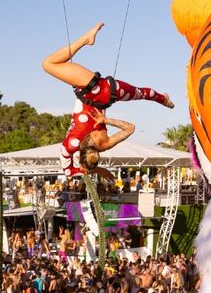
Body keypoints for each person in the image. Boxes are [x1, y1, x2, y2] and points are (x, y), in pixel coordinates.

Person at [42, 23, 173, 177]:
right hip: (90, 88)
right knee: (48, 64)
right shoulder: (73, 144)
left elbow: (130, 127)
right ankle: (86, 39)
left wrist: (106, 120)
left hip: (112, 92)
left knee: (142, 93)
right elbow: (68, 169)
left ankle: (164, 99)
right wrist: (84, 170)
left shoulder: (104, 145)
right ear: (79, 158)